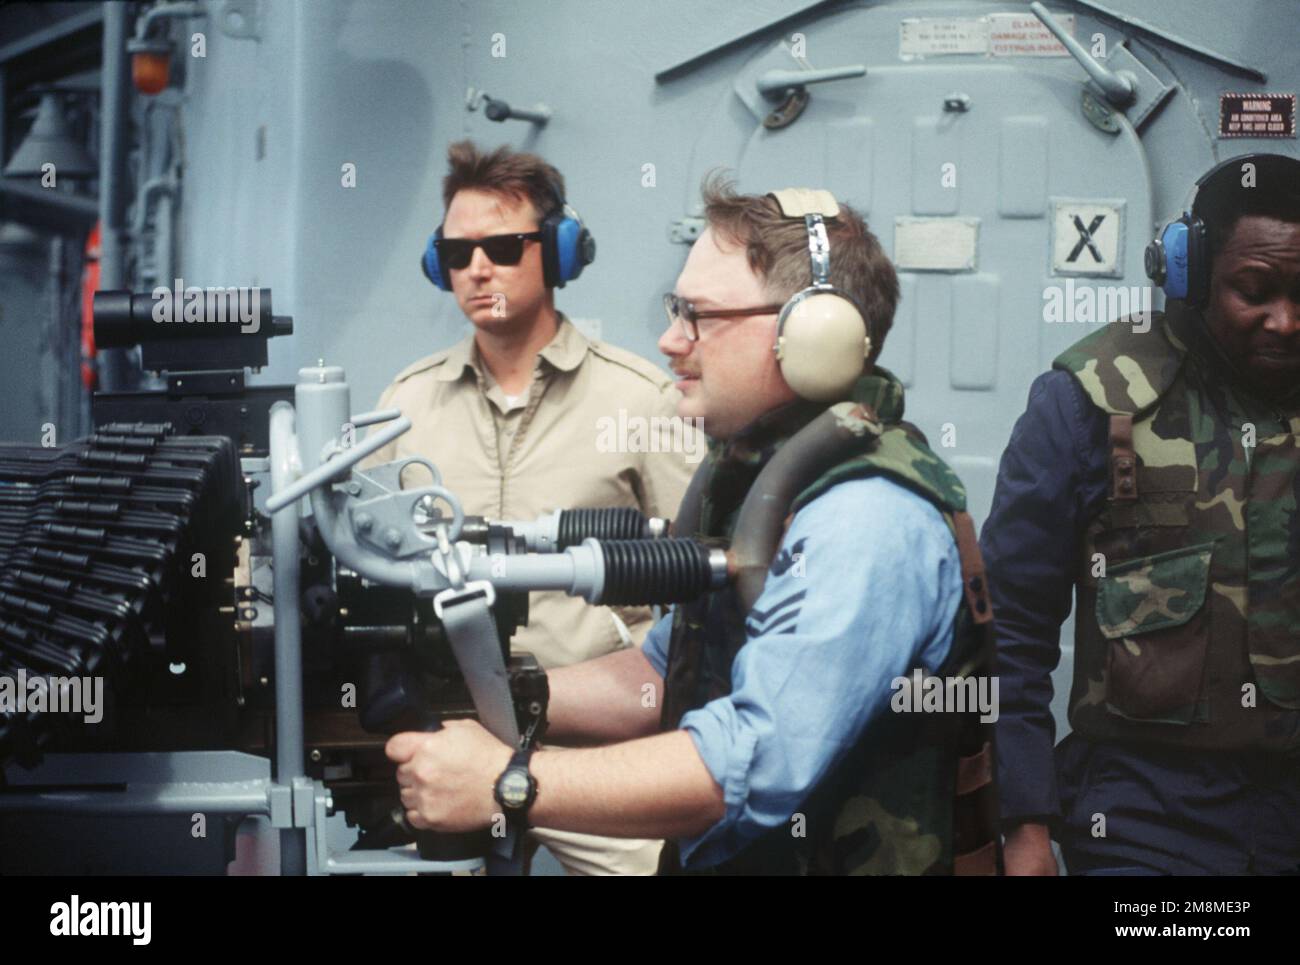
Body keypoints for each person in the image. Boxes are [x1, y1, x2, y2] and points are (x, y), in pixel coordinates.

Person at [385, 176, 1000, 875]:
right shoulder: (757, 482)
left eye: (696, 315)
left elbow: (749, 760)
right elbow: (662, 676)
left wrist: (507, 780)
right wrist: (503, 694)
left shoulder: (866, 518)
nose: (670, 339)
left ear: (808, 334)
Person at [364, 140, 697, 875]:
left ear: (559, 251)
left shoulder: (642, 399)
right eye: (458, 252)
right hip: (448, 748)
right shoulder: (403, 407)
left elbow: (703, 577)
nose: (478, 268)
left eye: (505, 246)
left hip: (605, 758)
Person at [986, 153, 1300, 875]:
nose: (1285, 322)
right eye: (1255, 291)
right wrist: (1024, 822)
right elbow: (1011, 630)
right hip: (1146, 823)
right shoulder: (1087, 403)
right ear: (1187, 274)